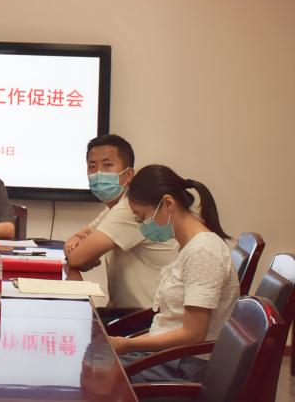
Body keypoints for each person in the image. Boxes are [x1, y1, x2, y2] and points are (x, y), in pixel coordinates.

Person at [106, 165, 239, 383]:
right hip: (169, 358)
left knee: (97, 374)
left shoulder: (203, 251)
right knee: (96, 363)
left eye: (142, 217)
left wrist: (127, 344)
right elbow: (170, 323)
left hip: (185, 366)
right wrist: (127, 344)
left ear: (168, 203)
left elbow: (193, 335)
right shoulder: (186, 246)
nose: (142, 226)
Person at [64, 135, 177, 321]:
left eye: (107, 165)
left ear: (129, 174)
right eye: (92, 166)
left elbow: (76, 258)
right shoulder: (116, 207)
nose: (98, 173)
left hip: (147, 319)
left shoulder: (130, 209)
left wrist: (82, 252)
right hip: (128, 313)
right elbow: (80, 238)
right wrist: (77, 243)